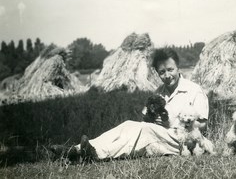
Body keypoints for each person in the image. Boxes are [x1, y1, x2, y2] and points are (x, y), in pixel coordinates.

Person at [51, 48, 209, 161]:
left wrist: (172, 122)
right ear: (157, 72)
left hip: (182, 141)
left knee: (144, 130)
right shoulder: (159, 91)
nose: (167, 75)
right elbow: (146, 116)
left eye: (170, 69)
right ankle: (76, 149)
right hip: (159, 134)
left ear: (178, 68)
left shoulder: (193, 90)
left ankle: (96, 153)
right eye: (162, 72)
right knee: (128, 125)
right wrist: (148, 117)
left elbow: (202, 125)